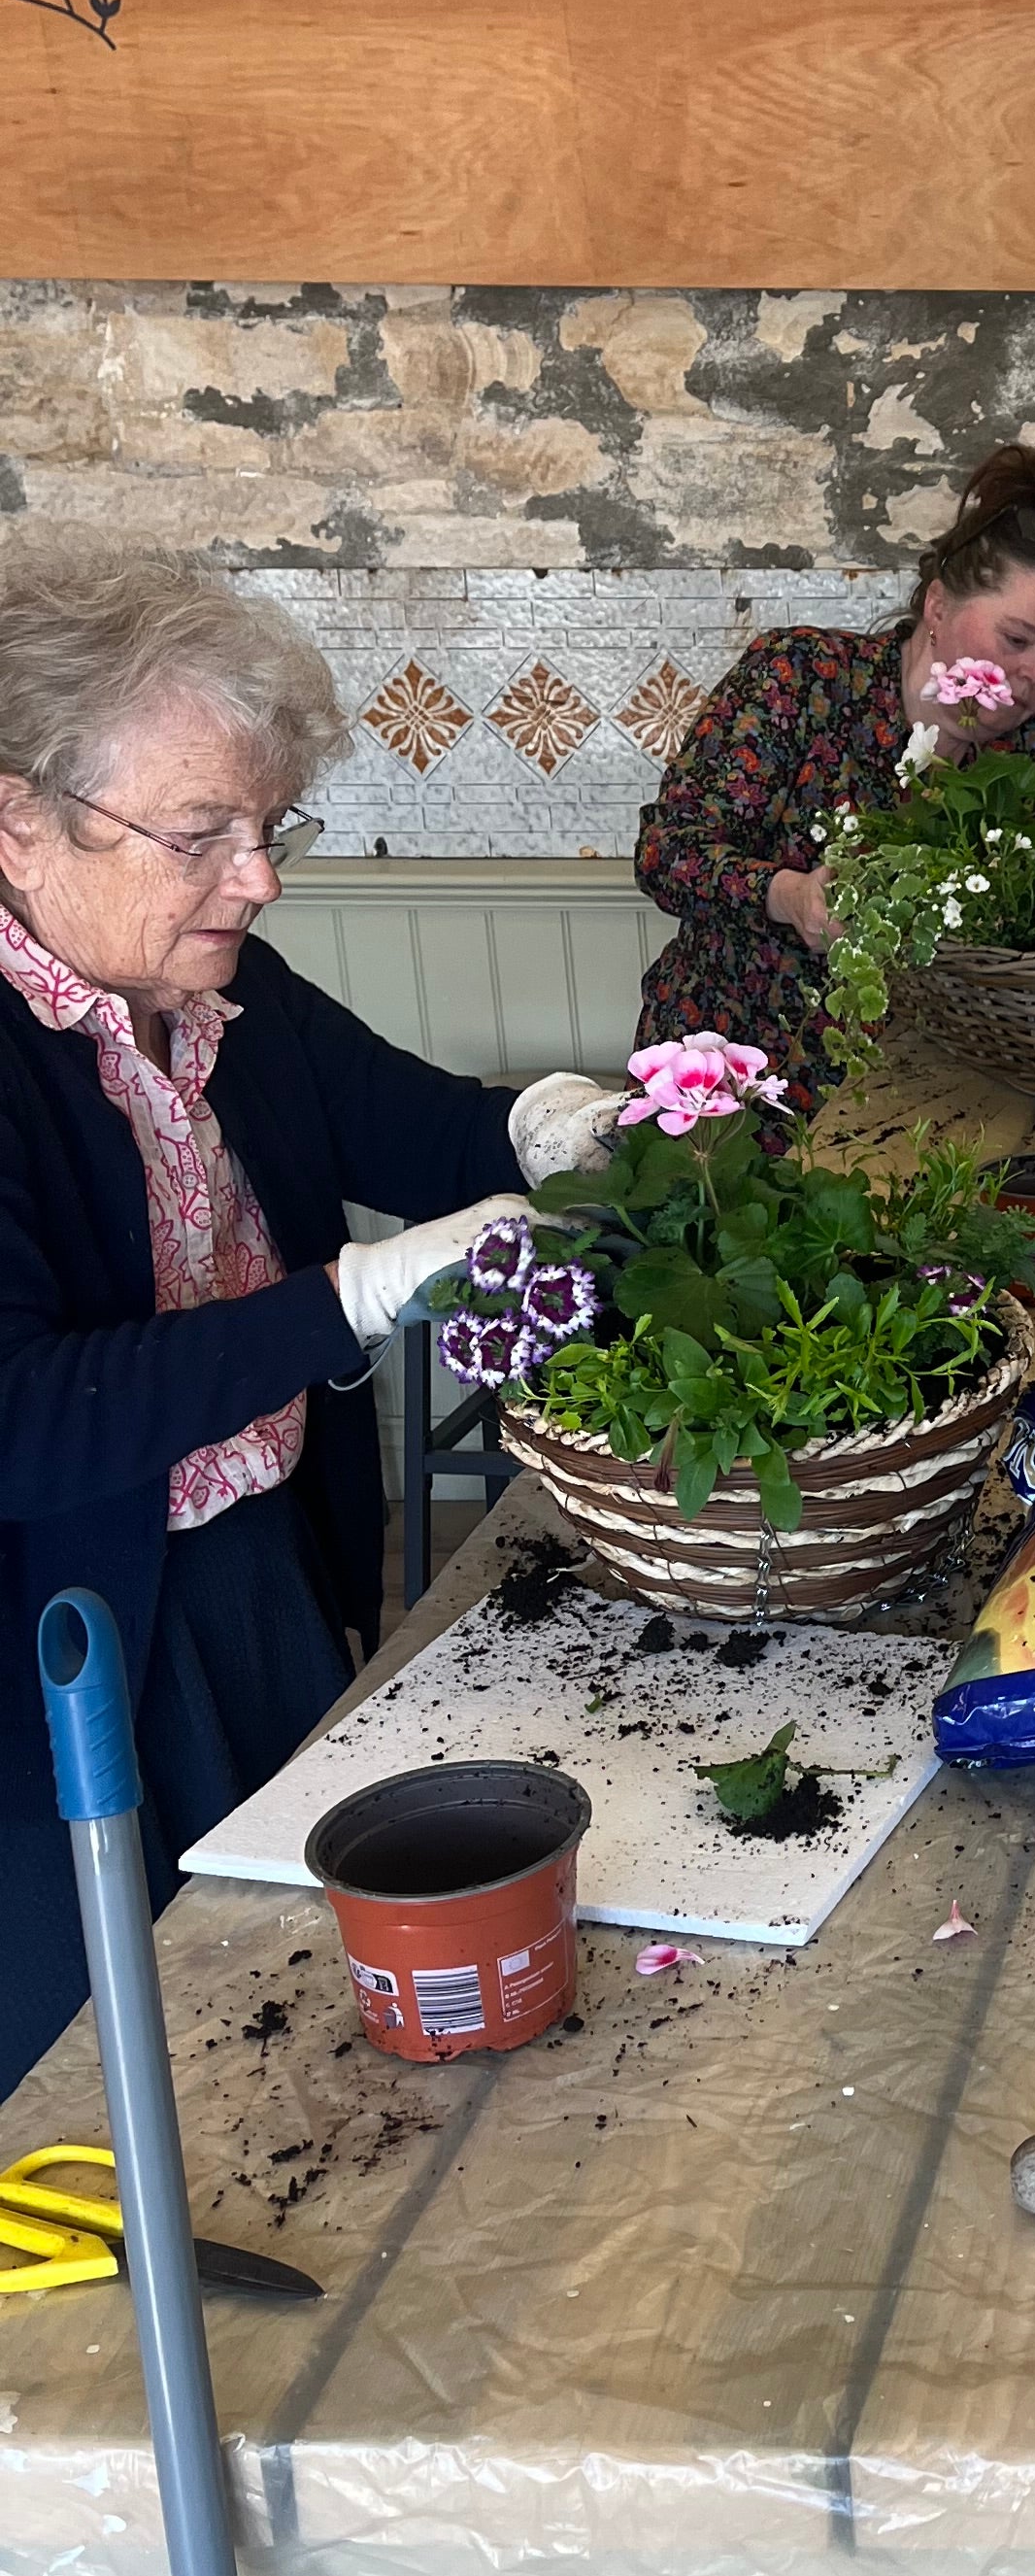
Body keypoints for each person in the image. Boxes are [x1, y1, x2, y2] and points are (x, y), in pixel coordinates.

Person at [0, 561, 625, 2096]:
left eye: (272, 830)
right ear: (19, 821)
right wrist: (345, 1298)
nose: (259, 879)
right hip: (62, 1648)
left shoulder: (229, 995)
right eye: (201, 834)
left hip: (264, 1568)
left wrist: (551, 1124)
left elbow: (412, 1128)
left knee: (286, 1992)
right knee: (112, 2053)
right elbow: (24, 1420)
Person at [636, 443, 1035, 1102]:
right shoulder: (800, 678)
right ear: (938, 606)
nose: (1034, 674)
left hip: (934, 1097)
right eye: (1016, 639)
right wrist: (789, 895)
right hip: (729, 1085)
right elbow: (666, 853)